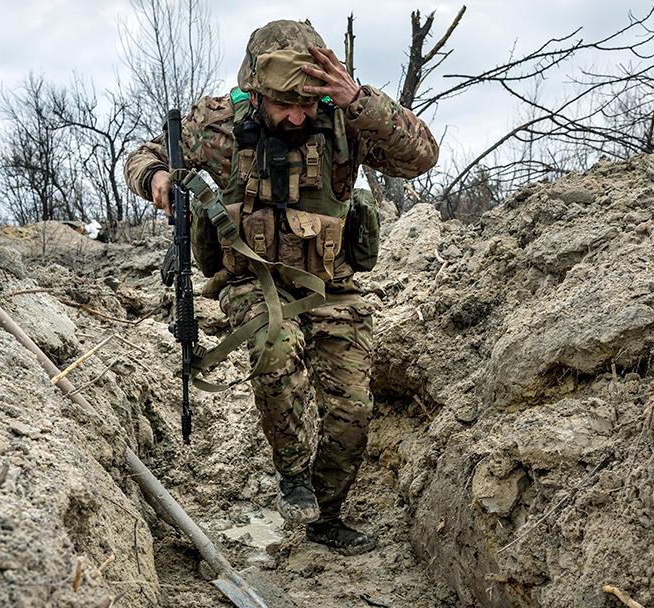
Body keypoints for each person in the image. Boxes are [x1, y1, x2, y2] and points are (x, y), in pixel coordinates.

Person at [125, 19, 438, 555]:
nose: (298, 116)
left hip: (330, 287)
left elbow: (421, 156)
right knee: (276, 343)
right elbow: (142, 156)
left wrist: (360, 100)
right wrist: (154, 177)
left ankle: (327, 512)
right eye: (284, 105)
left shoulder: (345, 118)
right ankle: (292, 474)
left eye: (307, 104)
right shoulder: (218, 127)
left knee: (353, 406)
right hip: (251, 280)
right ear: (257, 91)